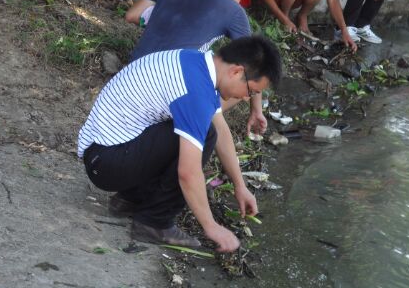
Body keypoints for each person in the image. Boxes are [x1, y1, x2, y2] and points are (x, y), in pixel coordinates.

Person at [78, 36, 282, 252]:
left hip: (104, 153)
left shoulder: (197, 63)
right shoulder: (195, 91)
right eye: (251, 91)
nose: (245, 98)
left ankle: (129, 200)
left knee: (205, 131)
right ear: (236, 72)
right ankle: (154, 222)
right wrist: (211, 227)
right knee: (203, 136)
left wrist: (240, 185)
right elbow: (188, 172)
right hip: (106, 163)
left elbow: (222, 131)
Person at [125, 0, 267, 136]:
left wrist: (159, 24)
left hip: (131, 74)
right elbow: (252, 63)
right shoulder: (234, 10)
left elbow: (132, 15)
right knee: (239, 84)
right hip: (168, 86)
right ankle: (199, 118)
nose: (239, 4)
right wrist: (256, 110)